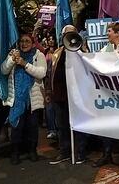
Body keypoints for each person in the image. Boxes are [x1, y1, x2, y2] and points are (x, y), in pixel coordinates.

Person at [1, 33, 47, 165]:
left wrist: (25, 64)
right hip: (17, 100)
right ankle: (15, 152)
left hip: (32, 99)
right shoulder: (14, 54)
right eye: (22, 41)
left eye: (27, 41)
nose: (24, 44)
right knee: (16, 127)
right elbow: (4, 70)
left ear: (33, 43)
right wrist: (12, 60)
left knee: (32, 127)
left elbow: (41, 73)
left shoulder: (39, 55)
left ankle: (32, 150)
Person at [92, 22, 119, 168]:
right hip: (109, 93)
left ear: (117, 33)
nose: (107, 34)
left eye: (109, 31)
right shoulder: (105, 49)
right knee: (106, 123)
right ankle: (106, 154)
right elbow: (95, 60)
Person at [49, 25, 86, 165]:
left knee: (79, 125)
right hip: (60, 96)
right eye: (67, 34)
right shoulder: (57, 53)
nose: (70, 36)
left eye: (73, 33)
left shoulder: (81, 51)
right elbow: (51, 73)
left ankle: (80, 152)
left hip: (77, 96)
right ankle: (64, 151)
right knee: (62, 125)